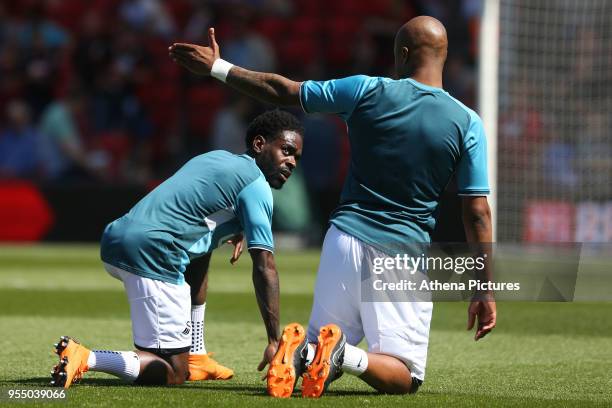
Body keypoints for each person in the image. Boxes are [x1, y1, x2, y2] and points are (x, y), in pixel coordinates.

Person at [169, 15, 496, 398]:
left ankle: (303, 353)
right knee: (405, 376)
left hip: (342, 240)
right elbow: (476, 212)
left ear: (403, 54)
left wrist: (217, 67)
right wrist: (484, 286)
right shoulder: (467, 122)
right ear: (442, 56)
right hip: (400, 252)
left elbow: (282, 90)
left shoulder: (364, 90)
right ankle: (346, 355)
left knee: (312, 357)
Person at [50, 110, 304, 388]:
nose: (291, 162)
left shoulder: (214, 157)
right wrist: (273, 341)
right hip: (154, 253)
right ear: (259, 145)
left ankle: (196, 354)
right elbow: (264, 265)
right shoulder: (256, 185)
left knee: (199, 256)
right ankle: (87, 357)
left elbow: (195, 231)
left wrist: (230, 229)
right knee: (173, 373)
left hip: (116, 239)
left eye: (296, 157)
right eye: (287, 151)